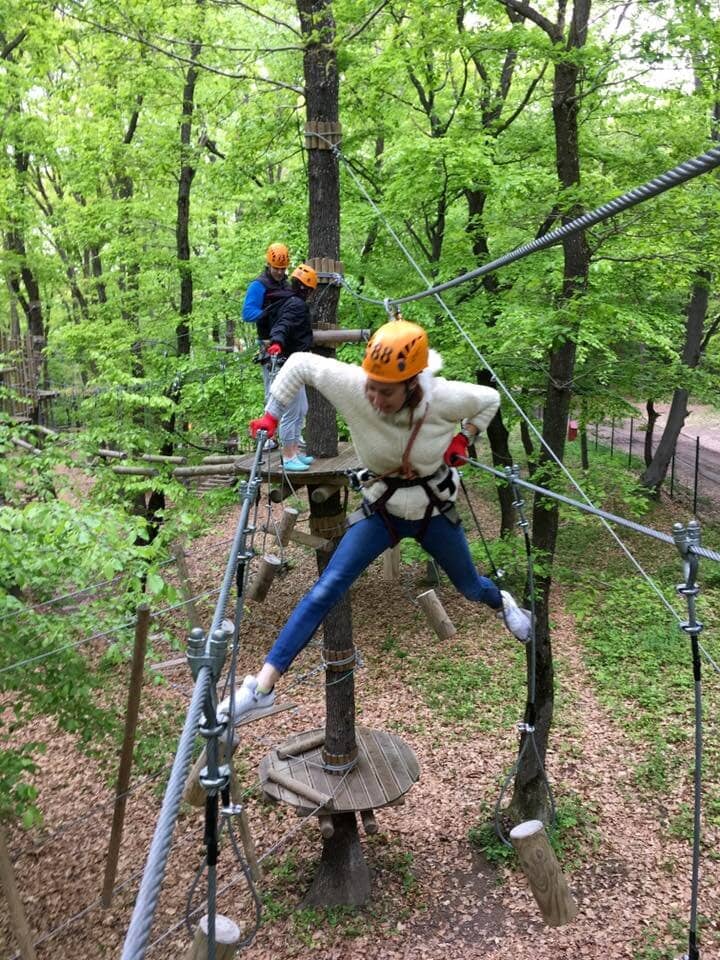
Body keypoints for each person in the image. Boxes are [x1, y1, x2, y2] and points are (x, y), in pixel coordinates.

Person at [220, 319, 531, 718]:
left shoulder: (445, 399)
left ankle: (502, 602)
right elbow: (298, 363)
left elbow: (490, 399)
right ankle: (262, 688)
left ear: (413, 385)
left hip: (433, 511)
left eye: (385, 392)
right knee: (326, 587)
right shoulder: (355, 386)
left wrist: (463, 437)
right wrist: (272, 415)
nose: (374, 397)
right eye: (371, 385)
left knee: (471, 588)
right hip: (381, 511)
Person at [265, 263, 318, 471]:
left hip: (296, 364)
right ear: (306, 288)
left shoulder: (293, 301)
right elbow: (283, 325)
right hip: (288, 364)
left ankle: (294, 451)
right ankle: (288, 457)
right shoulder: (295, 304)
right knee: (292, 412)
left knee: (301, 408)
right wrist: (277, 341)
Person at [242, 242, 294, 449]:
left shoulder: (286, 285)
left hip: (287, 345)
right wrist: (267, 313)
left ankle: (290, 437)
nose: (280, 272)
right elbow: (247, 313)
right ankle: (268, 438)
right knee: (272, 390)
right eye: (276, 268)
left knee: (290, 391)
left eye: (283, 268)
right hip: (267, 344)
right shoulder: (259, 285)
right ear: (269, 264)